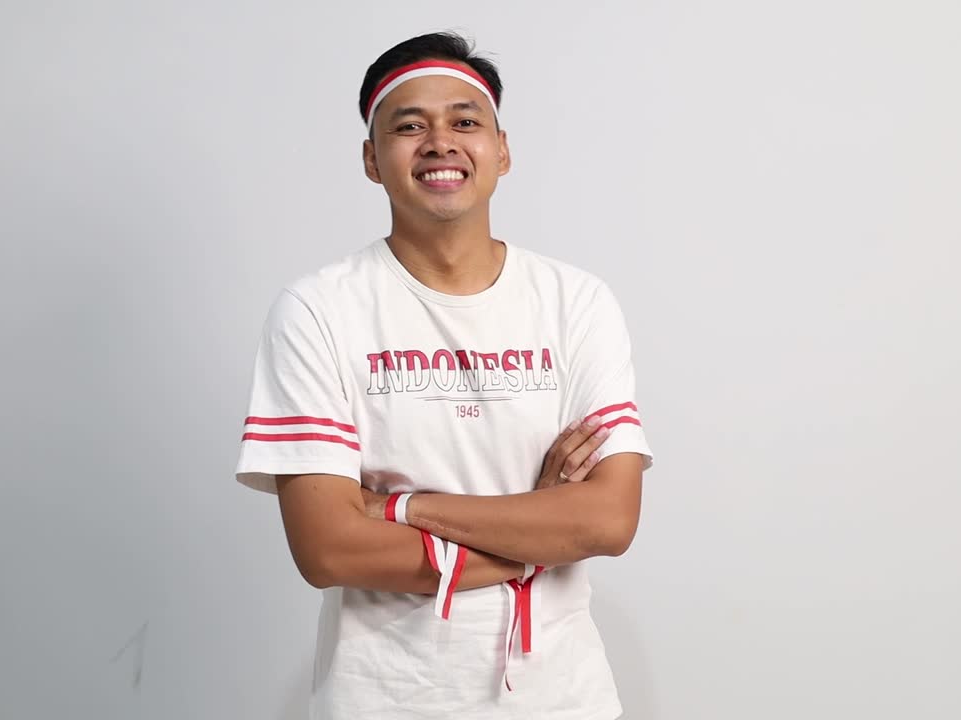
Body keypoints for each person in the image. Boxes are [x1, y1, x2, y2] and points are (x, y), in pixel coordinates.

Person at [234, 31, 653, 719]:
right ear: (372, 160)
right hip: (386, 701)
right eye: (409, 126)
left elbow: (607, 520)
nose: (440, 142)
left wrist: (401, 507)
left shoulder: (576, 302)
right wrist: (535, 538)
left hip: (564, 701)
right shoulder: (318, 311)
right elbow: (329, 548)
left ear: (502, 149)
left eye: (465, 121)